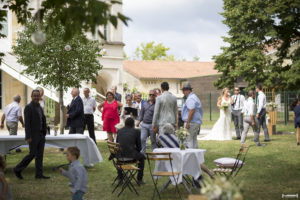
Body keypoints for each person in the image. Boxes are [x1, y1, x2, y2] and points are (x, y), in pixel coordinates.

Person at [13, 90, 50, 180]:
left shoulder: (40, 107)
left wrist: (45, 131)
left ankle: (39, 174)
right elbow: (27, 124)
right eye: (34, 96)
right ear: (31, 96)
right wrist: (28, 136)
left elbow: (43, 119)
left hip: (41, 135)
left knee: (40, 155)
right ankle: (17, 169)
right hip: (33, 136)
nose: (36, 97)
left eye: (38, 96)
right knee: (32, 154)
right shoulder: (28, 107)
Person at [116, 117, 145, 185]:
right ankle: (139, 179)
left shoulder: (119, 131)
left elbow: (117, 144)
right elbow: (139, 147)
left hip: (119, 157)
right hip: (131, 157)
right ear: (133, 124)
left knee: (119, 155)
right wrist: (135, 151)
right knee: (142, 158)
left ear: (125, 124)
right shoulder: (137, 131)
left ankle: (120, 178)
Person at [181, 83, 203, 148]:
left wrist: (188, 122)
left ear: (189, 90)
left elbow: (191, 110)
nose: (183, 92)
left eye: (184, 90)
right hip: (195, 122)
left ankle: (190, 156)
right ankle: (196, 156)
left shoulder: (190, 98)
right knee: (194, 140)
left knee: (189, 140)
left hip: (191, 122)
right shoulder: (194, 97)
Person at [136, 90, 157, 155]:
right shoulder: (144, 104)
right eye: (150, 94)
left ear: (155, 96)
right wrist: (139, 121)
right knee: (142, 139)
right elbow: (141, 114)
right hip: (144, 124)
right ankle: (143, 153)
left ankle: (154, 153)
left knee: (153, 140)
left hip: (152, 125)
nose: (151, 96)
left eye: (153, 95)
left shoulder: (157, 104)